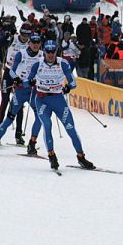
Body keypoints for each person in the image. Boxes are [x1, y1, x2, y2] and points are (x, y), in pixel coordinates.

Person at [25, 40, 94, 171]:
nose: (50, 54)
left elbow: (73, 82)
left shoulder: (62, 63)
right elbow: (28, 80)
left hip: (58, 100)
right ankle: (52, 155)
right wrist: (31, 81)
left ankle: (81, 157)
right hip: (42, 100)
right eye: (48, 51)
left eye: (53, 51)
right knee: (47, 125)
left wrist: (68, 87)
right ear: (44, 51)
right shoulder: (37, 64)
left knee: (71, 129)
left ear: (56, 51)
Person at [0, 33, 45, 156]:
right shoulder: (21, 54)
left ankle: (32, 144)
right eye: (33, 42)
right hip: (21, 90)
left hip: (33, 91)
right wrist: (17, 79)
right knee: (9, 118)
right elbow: (11, 71)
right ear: (29, 43)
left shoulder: (42, 56)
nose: (35, 45)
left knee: (40, 117)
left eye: (38, 43)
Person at [0, 23, 32, 144]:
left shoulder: (30, 44)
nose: (24, 38)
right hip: (8, 72)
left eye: (27, 36)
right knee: (5, 101)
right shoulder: (13, 38)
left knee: (19, 104)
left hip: (20, 76)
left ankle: (18, 134)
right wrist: (5, 35)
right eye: (22, 35)